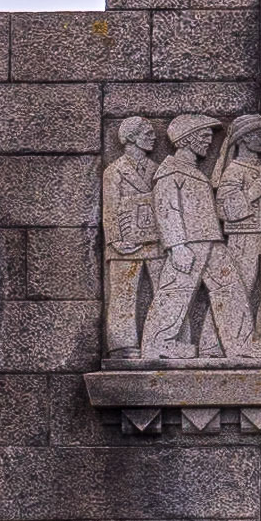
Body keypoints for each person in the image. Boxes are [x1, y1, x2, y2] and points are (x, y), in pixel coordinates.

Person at [143, 114, 256, 362]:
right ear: (188, 139)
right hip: (188, 244)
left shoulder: (193, 171)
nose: (208, 141)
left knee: (230, 288)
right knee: (175, 291)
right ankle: (157, 343)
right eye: (204, 136)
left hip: (210, 240)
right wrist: (177, 246)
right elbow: (167, 210)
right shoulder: (171, 171)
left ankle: (241, 345)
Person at [211, 112, 261, 338]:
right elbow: (223, 209)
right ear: (244, 139)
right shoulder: (234, 171)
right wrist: (250, 194)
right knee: (238, 289)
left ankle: (259, 336)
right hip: (243, 238)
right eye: (260, 134)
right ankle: (221, 342)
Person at [100, 115, 160, 361]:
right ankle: (122, 345)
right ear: (132, 138)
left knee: (164, 291)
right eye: (147, 133)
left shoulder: (157, 169)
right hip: (125, 243)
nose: (153, 137)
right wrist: (116, 240)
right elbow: (110, 209)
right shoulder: (114, 171)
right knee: (124, 294)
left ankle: (163, 340)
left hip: (156, 242)